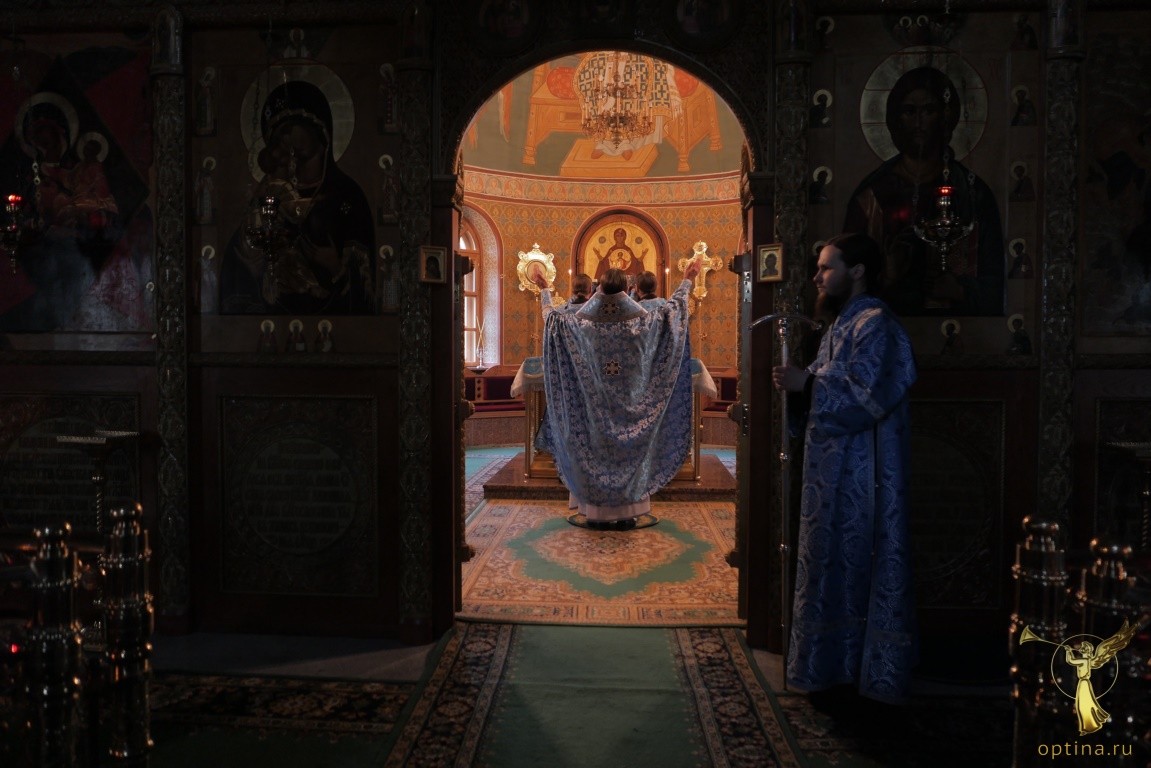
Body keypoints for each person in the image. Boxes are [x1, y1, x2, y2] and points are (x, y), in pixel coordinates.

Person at [771, 232, 918, 708]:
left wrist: (808, 385)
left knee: (858, 565)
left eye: (826, 267)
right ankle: (831, 670)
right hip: (831, 475)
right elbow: (825, 384)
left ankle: (861, 675)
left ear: (857, 271)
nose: (817, 276)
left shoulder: (876, 325)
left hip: (865, 476)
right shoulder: (840, 325)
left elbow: (869, 396)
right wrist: (799, 388)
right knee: (831, 565)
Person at [531, 258, 702, 529]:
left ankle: (596, 515)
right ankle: (627, 514)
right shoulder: (644, 321)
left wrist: (544, 288)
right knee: (629, 451)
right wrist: (687, 279)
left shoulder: (579, 324)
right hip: (630, 406)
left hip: (593, 411)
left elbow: (550, 317)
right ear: (626, 288)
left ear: (599, 288)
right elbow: (675, 310)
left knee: (595, 448)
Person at [843, 66, 1005, 317]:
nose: (919, 121)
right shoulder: (871, 197)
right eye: (910, 111)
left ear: (946, 118)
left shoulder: (973, 193)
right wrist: (888, 277)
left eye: (929, 110)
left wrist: (960, 291)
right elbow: (846, 282)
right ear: (895, 119)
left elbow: (995, 285)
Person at [221, 79, 375, 315]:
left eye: (290, 127)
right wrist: (254, 258)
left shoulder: (347, 196)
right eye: (278, 134)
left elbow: (365, 288)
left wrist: (335, 267)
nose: (285, 138)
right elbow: (238, 265)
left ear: (318, 128)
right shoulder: (270, 193)